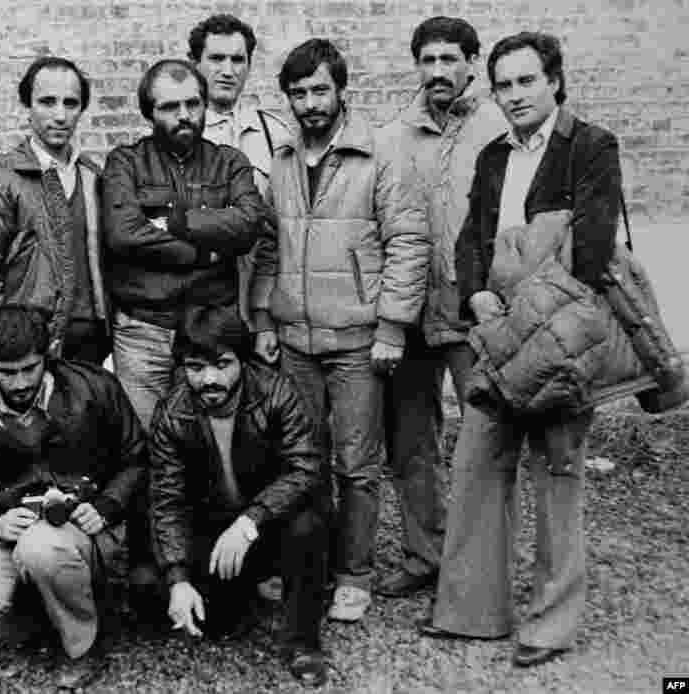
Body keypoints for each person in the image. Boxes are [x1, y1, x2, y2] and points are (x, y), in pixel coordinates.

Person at [418, 32, 623, 669]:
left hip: (561, 341)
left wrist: (517, 299)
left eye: (526, 81)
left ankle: (552, 624)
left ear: (554, 81)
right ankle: (473, 611)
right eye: (504, 85)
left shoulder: (589, 147)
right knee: (477, 466)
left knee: (558, 477)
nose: (514, 96)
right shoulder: (493, 156)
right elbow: (469, 240)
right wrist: (477, 295)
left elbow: (588, 254)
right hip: (498, 336)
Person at [250, 39, 429, 623]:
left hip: (357, 341)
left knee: (357, 463)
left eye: (319, 90)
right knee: (304, 459)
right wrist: (264, 316)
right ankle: (311, 566)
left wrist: (393, 326)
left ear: (340, 90)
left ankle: (354, 573)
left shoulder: (378, 154)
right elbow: (270, 246)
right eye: (298, 93)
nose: (309, 103)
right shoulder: (280, 160)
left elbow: (407, 241)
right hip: (296, 340)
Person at [0, 303, 146, 690]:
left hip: (82, 526)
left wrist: (109, 506)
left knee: (42, 550)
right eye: (7, 372)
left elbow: (137, 458)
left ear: (49, 353)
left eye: (30, 368)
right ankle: (42, 611)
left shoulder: (94, 387)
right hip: (7, 533)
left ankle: (82, 646)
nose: (21, 382)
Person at [373, 16, 507, 599]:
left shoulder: (497, 128)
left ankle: (477, 571)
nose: (437, 72)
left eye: (449, 59)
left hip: (473, 311)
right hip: (411, 310)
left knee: (485, 441)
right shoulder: (395, 133)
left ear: (472, 63)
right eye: (427, 61)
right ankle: (424, 553)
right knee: (410, 443)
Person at [147, 305, 329, 687]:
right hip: (216, 529)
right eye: (196, 368)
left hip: (270, 522)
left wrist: (250, 521)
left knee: (307, 524)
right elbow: (167, 500)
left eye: (222, 364)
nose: (209, 379)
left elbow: (306, 467)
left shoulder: (278, 391)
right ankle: (239, 593)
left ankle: (303, 641)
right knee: (168, 600)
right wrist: (178, 577)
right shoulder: (171, 414)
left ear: (243, 361)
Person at [101, 59, 269, 428]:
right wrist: (206, 248)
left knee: (211, 441)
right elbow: (123, 234)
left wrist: (174, 221)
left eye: (193, 104)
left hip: (213, 331)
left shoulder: (229, 163)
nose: (185, 116)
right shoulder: (124, 164)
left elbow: (249, 223)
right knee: (145, 443)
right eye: (170, 107)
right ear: (149, 113)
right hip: (144, 332)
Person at [0, 56, 111, 364]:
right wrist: (8, 338)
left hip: (94, 342)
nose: (60, 115)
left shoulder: (94, 178)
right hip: (31, 348)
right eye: (47, 102)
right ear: (26, 107)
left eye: (70, 103)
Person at [188, 13, 294, 337]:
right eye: (216, 58)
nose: (227, 70)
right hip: (194, 302)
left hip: (256, 302)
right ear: (194, 62)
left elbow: (284, 226)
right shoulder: (176, 133)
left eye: (238, 59)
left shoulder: (274, 133)